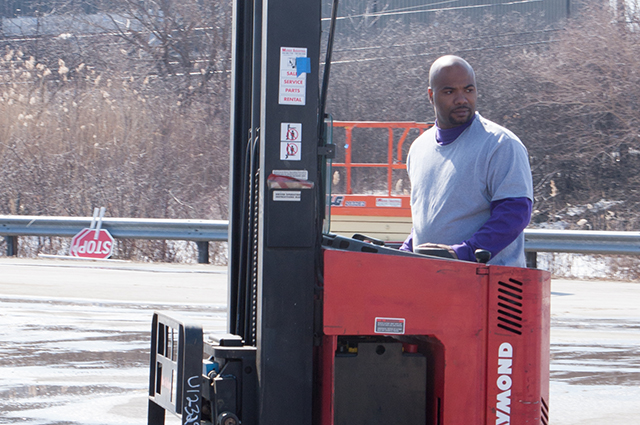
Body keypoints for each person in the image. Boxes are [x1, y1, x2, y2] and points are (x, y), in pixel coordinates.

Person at [399, 55, 533, 267]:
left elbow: (514, 214)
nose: (461, 99)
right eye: (449, 91)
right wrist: (406, 250)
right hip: (434, 279)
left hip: (486, 285)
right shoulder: (418, 149)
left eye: (468, 90)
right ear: (431, 96)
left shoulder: (500, 144)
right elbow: (430, 221)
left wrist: (464, 252)